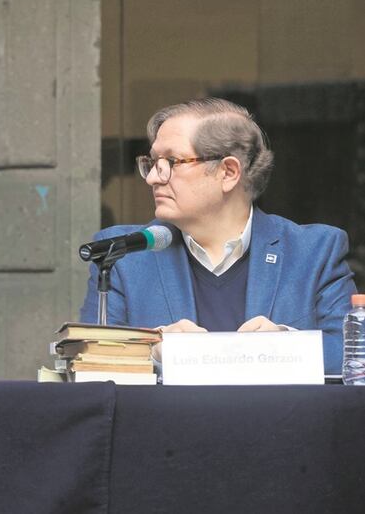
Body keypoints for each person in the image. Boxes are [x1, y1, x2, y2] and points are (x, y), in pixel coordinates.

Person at [80, 98, 354, 372]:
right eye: (152, 162)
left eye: (171, 162)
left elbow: (351, 355)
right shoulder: (125, 256)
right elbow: (87, 364)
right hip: (167, 416)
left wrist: (284, 347)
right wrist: (154, 352)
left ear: (228, 172)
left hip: (278, 416)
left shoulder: (314, 252)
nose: (152, 177)